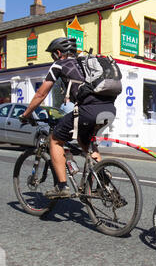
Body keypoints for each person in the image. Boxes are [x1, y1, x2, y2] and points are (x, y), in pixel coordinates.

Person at [20, 37, 116, 199]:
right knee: (86, 142)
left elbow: (41, 93)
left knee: (55, 140)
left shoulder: (59, 64)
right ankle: (103, 181)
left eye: (53, 55)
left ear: (58, 53)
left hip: (87, 111)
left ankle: (62, 186)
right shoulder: (86, 63)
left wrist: (26, 114)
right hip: (109, 109)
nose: (53, 58)